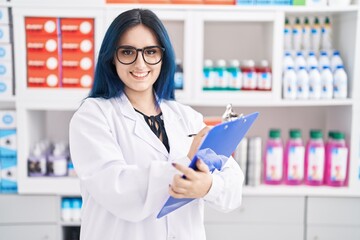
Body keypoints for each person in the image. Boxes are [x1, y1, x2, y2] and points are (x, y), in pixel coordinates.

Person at [69, 8, 244, 240]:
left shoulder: (187, 117)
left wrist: (208, 185)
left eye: (150, 52)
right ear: (112, 57)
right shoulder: (93, 116)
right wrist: (185, 165)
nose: (140, 63)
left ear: (163, 56)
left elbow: (233, 186)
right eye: (128, 52)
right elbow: (118, 189)